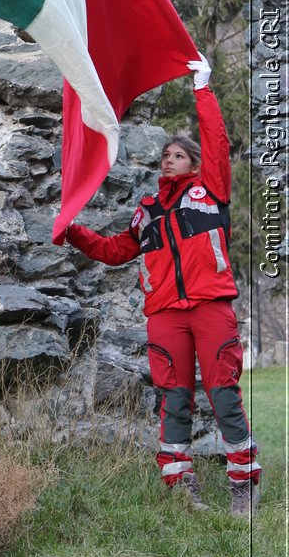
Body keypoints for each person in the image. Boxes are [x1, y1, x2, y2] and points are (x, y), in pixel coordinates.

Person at [64, 55, 261, 516]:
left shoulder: (211, 191)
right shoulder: (146, 210)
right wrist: (74, 231)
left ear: (193, 163)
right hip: (165, 314)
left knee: (223, 393)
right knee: (173, 398)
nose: (167, 159)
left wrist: (203, 89)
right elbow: (115, 250)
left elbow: (216, 143)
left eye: (177, 155)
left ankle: (243, 483)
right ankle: (181, 487)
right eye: (164, 156)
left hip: (211, 306)